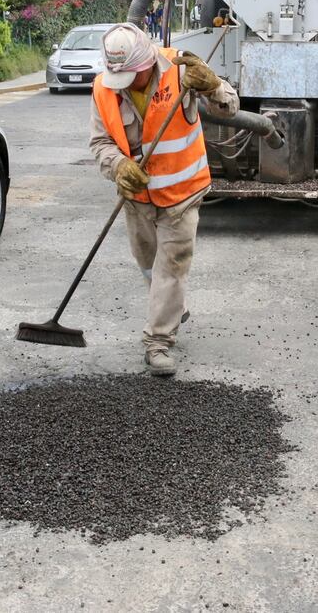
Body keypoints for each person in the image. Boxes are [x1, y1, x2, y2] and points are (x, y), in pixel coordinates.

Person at [89, 23, 239, 376]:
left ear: (147, 62)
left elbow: (230, 108)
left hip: (182, 194)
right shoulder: (102, 89)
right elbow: (100, 144)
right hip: (136, 198)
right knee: (148, 263)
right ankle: (172, 306)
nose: (125, 85)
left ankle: (158, 342)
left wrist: (213, 85)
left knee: (171, 267)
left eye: (133, 76)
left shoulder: (183, 69)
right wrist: (119, 165)